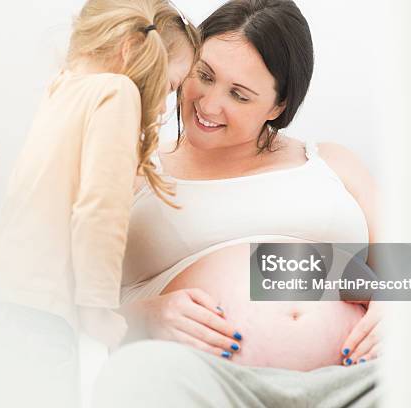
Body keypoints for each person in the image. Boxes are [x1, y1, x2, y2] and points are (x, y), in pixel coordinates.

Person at [92, 0, 381, 406]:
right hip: (199, 378)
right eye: (203, 75)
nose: (208, 105)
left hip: (362, 379)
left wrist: (402, 309)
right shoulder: (135, 167)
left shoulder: (332, 163)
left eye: (239, 95)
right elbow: (66, 308)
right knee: (133, 376)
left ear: (278, 107)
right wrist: (144, 318)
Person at [0, 1, 200, 407]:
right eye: (168, 87)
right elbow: (100, 212)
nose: (165, 107)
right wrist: (97, 309)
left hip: (1, 297)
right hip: (43, 317)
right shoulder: (119, 92)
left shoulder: (63, 87)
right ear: (133, 50)